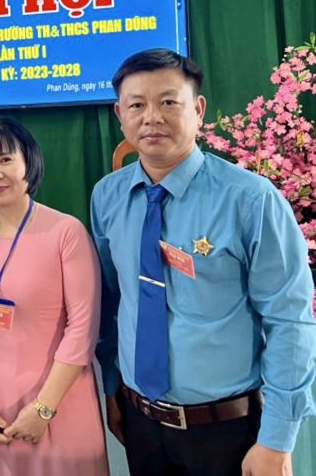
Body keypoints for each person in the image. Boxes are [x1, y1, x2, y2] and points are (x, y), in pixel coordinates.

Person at [91, 48, 316, 476]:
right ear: (120, 114)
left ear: (197, 110)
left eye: (168, 102)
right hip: (142, 422)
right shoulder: (108, 196)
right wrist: (112, 389)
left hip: (226, 431)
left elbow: (290, 319)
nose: (151, 116)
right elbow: (111, 301)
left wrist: (277, 440)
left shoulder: (251, 200)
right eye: (137, 104)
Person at [0, 117, 107, 476]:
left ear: (30, 162)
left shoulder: (65, 231)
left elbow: (82, 328)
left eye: (5, 159)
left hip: (59, 399)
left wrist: (43, 408)